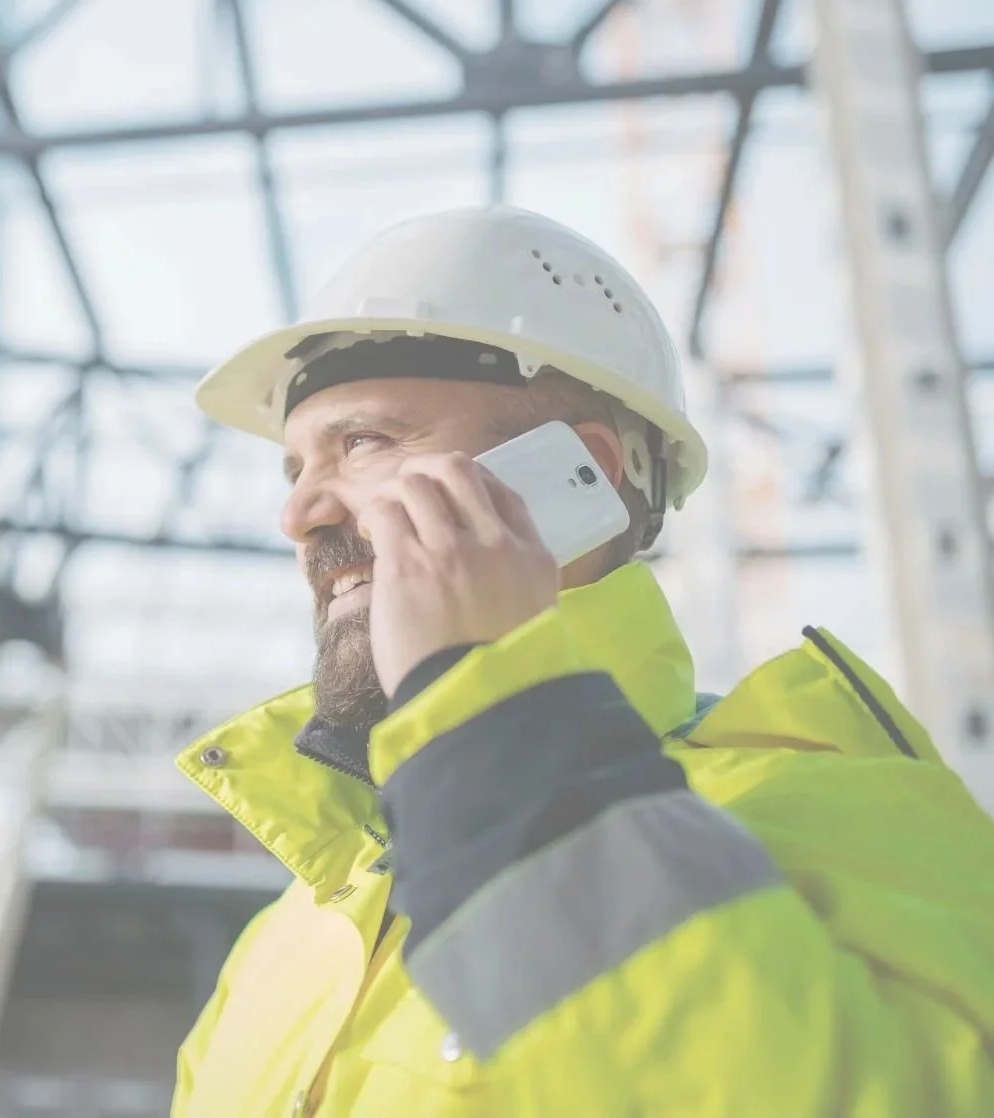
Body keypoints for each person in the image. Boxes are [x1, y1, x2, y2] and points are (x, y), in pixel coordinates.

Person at [169, 205, 994, 1116]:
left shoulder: (847, 812)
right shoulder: (281, 945)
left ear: (579, 474)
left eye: (364, 442)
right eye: (293, 471)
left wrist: (488, 713)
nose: (302, 516)